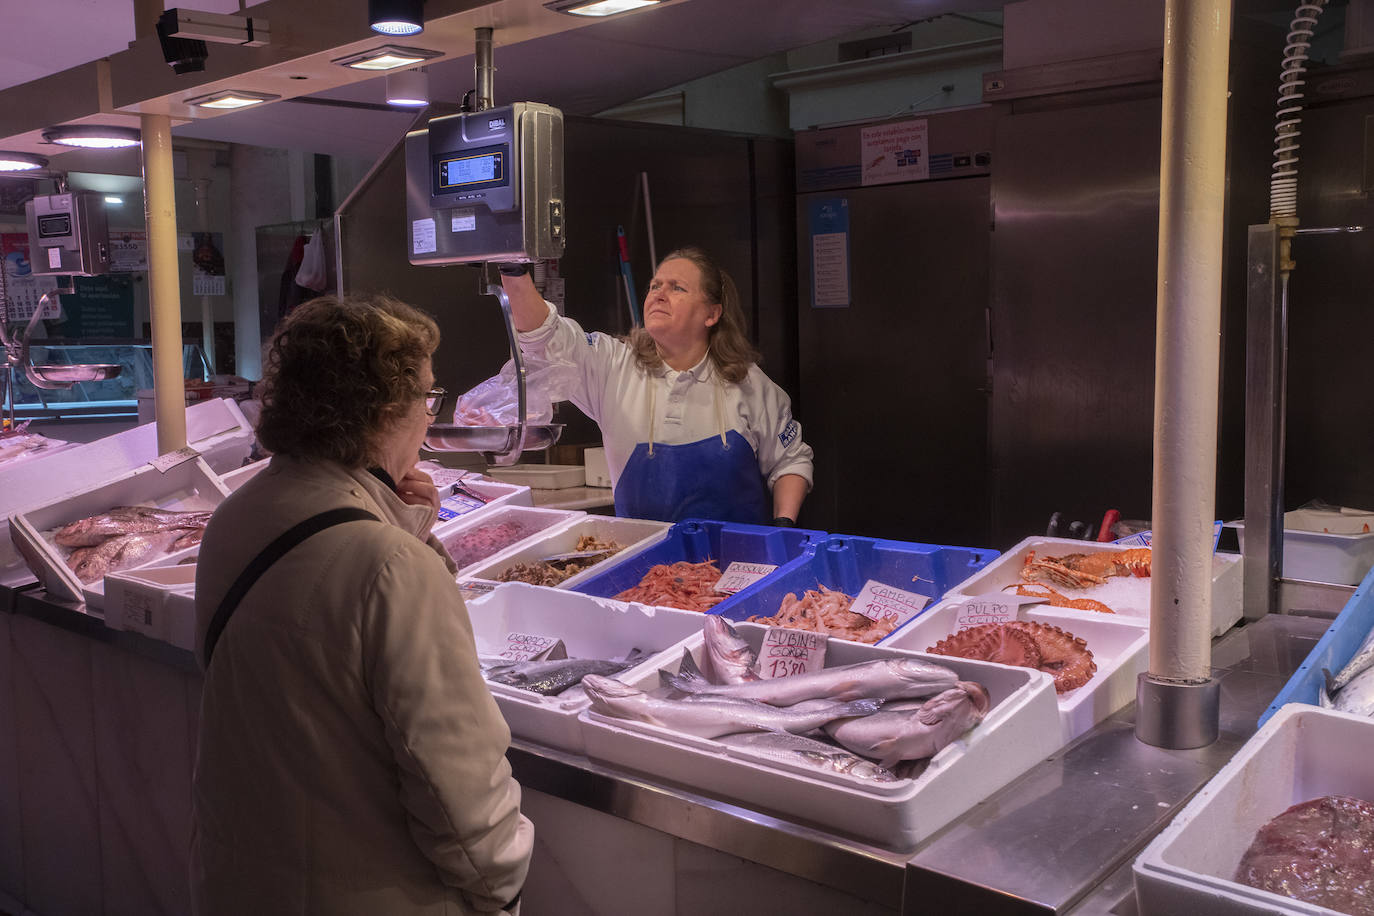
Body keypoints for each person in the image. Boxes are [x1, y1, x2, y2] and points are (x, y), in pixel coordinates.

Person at [190, 294, 532, 915]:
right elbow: (458, 793)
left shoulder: (235, 516)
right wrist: (504, 888)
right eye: (427, 397)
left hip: (240, 881)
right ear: (383, 410)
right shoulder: (392, 565)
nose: (429, 417)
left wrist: (399, 521)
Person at [500, 246, 814, 525]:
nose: (659, 294)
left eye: (677, 288)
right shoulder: (613, 366)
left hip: (735, 561)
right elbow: (544, 335)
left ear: (712, 313)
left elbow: (790, 462)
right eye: (655, 286)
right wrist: (512, 266)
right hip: (642, 561)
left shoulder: (749, 384)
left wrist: (782, 527)